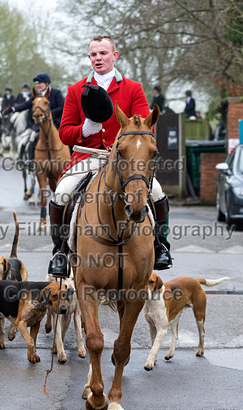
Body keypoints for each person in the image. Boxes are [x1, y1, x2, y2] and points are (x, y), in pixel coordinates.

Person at [48, 35, 172, 277]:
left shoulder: (132, 88)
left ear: (114, 56)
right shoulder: (75, 90)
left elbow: (146, 126)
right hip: (88, 157)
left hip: (125, 160)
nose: (98, 58)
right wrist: (84, 130)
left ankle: (161, 246)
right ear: (89, 58)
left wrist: (125, 143)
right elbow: (64, 133)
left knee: (156, 192)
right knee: (62, 193)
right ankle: (60, 252)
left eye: (103, 53)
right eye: (93, 54)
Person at [3, 72, 65, 160]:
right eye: (37, 83)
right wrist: (13, 109)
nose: (38, 85)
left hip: (55, 123)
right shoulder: (36, 95)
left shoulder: (56, 93)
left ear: (46, 83)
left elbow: (62, 107)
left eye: (40, 83)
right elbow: (26, 104)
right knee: (31, 139)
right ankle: (31, 160)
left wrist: (49, 113)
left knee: (66, 140)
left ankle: (69, 161)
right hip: (40, 125)